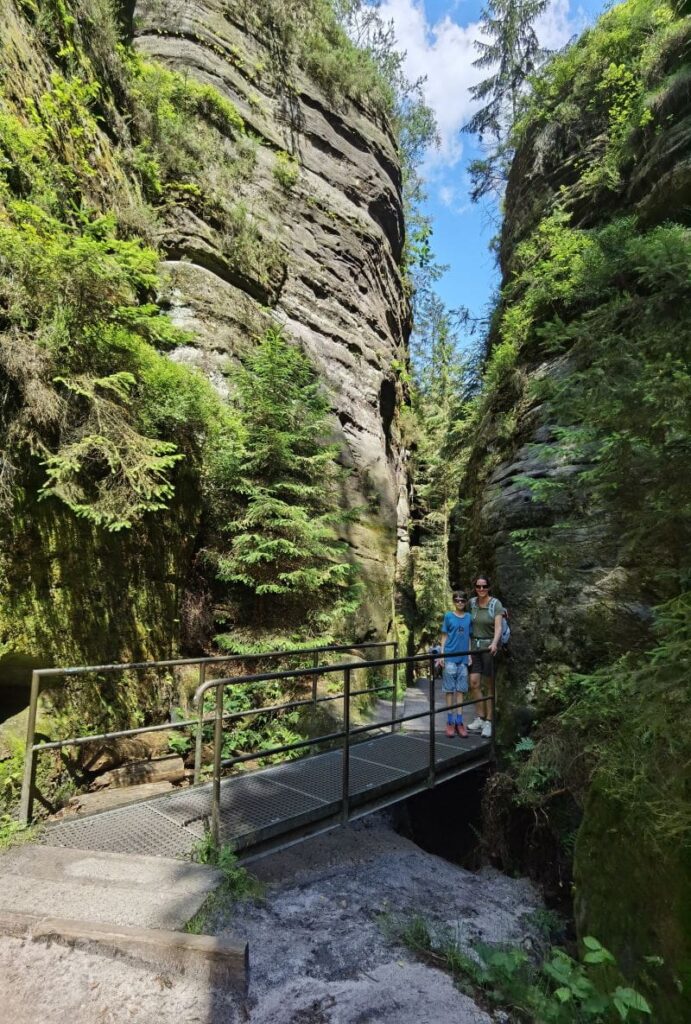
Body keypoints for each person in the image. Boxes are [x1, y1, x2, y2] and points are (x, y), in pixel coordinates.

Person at [467, 575, 504, 739]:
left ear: (489, 587)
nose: (481, 589)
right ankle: (480, 717)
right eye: (478, 586)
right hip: (474, 648)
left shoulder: (495, 604)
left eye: (484, 586)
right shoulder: (472, 603)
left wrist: (495, 643)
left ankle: (489, 721)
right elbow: (465, 624)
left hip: (489, 648)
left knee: (489, 685)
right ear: (475, 587)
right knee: (474, 683)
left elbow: (498, 627)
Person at [437, 591, 472, 738]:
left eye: (462, 601)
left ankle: (459, 722)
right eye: (457, 600)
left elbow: (469, 637)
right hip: (450, 657)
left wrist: (470, 654)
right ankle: (450, 721)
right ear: (454, 602)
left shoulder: (469, 617)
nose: (459, 603)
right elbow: (444, 636)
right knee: (449, 690)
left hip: (463, 659)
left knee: (461, 691)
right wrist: (442, 655)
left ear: (465, 602)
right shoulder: (448, 616)